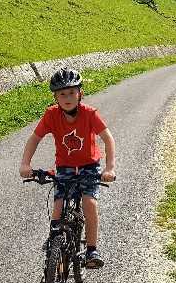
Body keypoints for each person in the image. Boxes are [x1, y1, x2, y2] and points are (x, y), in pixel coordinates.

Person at [19, 67, 116, 268]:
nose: (67, 97)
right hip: (65, 167)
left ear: (80, 93)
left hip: (89, 166)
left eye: (72, 92)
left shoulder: (90, 114)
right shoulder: (51, 115)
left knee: (89, 203)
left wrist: (109, 168)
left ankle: (91, 249)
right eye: (62, 93)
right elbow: (34, 139)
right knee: (58, 203)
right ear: (55, 97)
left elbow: (107, 139)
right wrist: (25, 163)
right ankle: (55, 237)